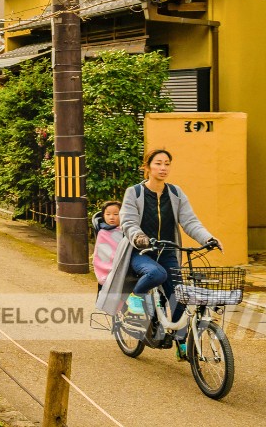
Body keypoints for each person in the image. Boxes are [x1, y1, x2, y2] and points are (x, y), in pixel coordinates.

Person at [119, 149, 222, 360]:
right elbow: (128, 221)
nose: (163, 168)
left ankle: (179, 340)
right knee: (156, 275)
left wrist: (208, 238)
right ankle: (133, 300)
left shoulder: (175, 193)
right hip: (141, 251)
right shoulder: (134, 192)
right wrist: (139, 237)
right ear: (147, 167)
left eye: (167, 163)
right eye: (158, 163)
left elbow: (190, 221)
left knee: (181, 295)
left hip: (167, 251)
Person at [92, 201, 123, 291]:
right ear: (103, 215)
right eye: (108, 214)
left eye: (116, 214)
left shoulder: (127, 230)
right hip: (107, 267)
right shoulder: (102, 232)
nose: (111, 217)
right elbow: (101, 253)